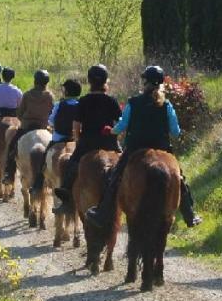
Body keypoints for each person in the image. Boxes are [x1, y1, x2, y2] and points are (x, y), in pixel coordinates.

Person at [84, 65, 201, 230]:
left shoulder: (133, 102)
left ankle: (102, 213)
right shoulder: (167, 105)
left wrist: (112, 130)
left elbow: (121, 126)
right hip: (162, 148)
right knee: (180, 179)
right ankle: (190, 214)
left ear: (145, 82)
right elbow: (175, 132)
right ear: (160, 83)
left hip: (134, 148)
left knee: (115, 178)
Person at [52, 65, 122, 216]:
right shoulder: (112, 100)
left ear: (89, 81)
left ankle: (65, 198)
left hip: (87, 142)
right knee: (125, 164)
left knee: (71, 166)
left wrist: (78, 140)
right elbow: (120, 123)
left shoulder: (83, 101)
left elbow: (76, 126)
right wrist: (116, 136)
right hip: (109, 142)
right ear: (105, 81)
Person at [3, 70, 56, 185]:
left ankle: (9, 174)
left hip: (26, 127)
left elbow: (20, 113)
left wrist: (24, 120)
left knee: (12, 148)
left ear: (35, 81)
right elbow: (52, 112)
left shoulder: (27, 94)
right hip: (44, 127)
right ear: (46, 82)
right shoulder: (50, 96)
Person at [35, 78, 82, 197]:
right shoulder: (82, 105)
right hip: (76, 139)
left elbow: (50, 121)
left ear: (66, 91)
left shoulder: (59, 104)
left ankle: (38, 183)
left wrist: (53, 126)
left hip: (58, 138)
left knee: (44, 158)